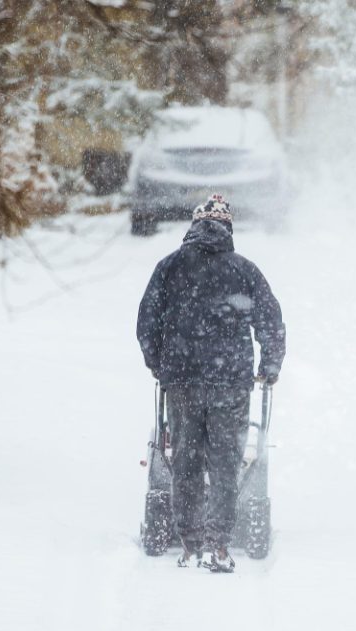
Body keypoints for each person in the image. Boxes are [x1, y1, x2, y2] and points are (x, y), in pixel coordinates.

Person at [136, 194, 285, 573]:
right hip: (230, 381)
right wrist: (269, 365)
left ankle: (189, 544)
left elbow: (147, 321)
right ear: (228, 229)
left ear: (193, 226)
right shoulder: (244, 270)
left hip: (182, 380)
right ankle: (218, 544)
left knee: (184, 459)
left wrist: (156, 362)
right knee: (225, 462)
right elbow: (270, 321)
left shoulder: (169, 267)